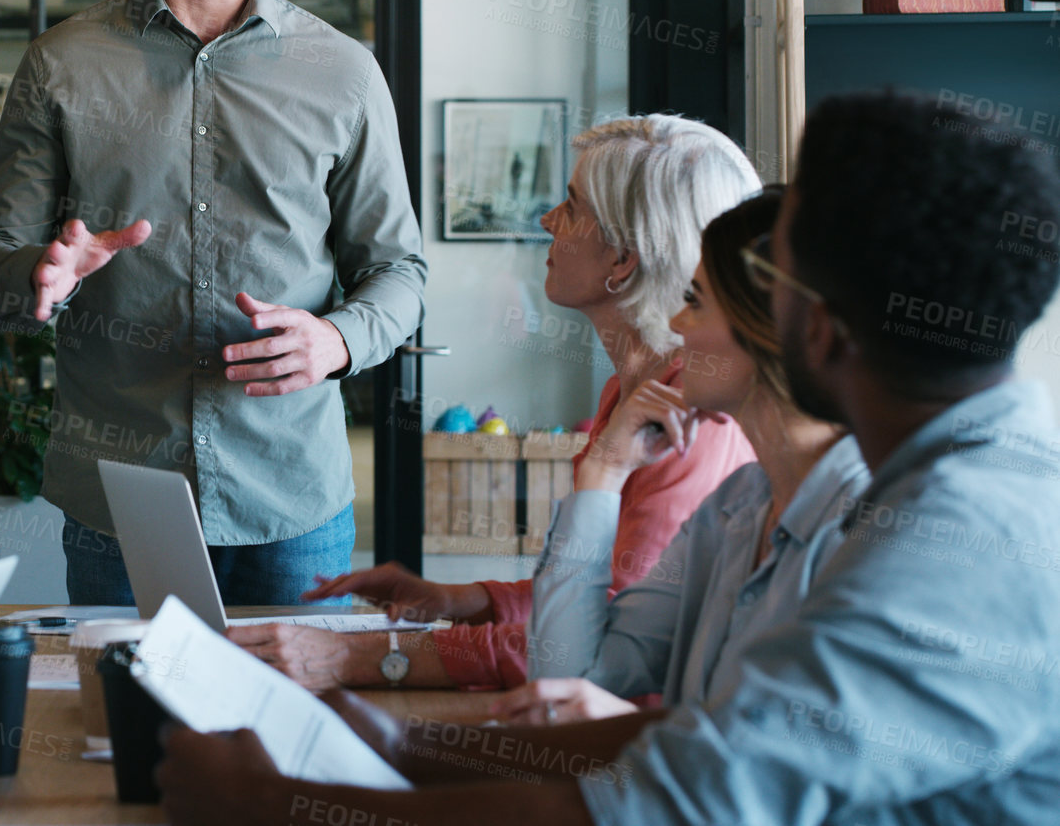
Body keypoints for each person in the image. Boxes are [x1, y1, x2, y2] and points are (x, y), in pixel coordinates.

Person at [157, 89, 1060, 825]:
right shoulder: (875, 489)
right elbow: (674, 725)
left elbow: (678, 802)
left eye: (758, 286)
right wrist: (397, 745)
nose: (704, 315)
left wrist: (281, 804)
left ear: (814, 332)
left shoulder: (962, 543)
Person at [0, 0, 426, 606]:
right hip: (124, 505)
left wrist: (339, 341)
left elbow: (400, 273)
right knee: (126, 734)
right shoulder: (62, 63)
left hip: (293, 500)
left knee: (291, 733)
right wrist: (39, 276)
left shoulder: (344, 74)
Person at [231, 115, 759, 690]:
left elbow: (599, 649)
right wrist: (454, 599)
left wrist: (360, 658)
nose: (546, 220)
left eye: (572, 207)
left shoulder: (685, 419)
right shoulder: (634, 386)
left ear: (622, 260)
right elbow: (578, 598)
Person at [492, 187, 868, 725]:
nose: (676, 325)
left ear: (774, 330)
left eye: (695, 302)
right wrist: (603, 472)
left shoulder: (865, 526)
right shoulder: (734, 508)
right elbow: (567, 677)